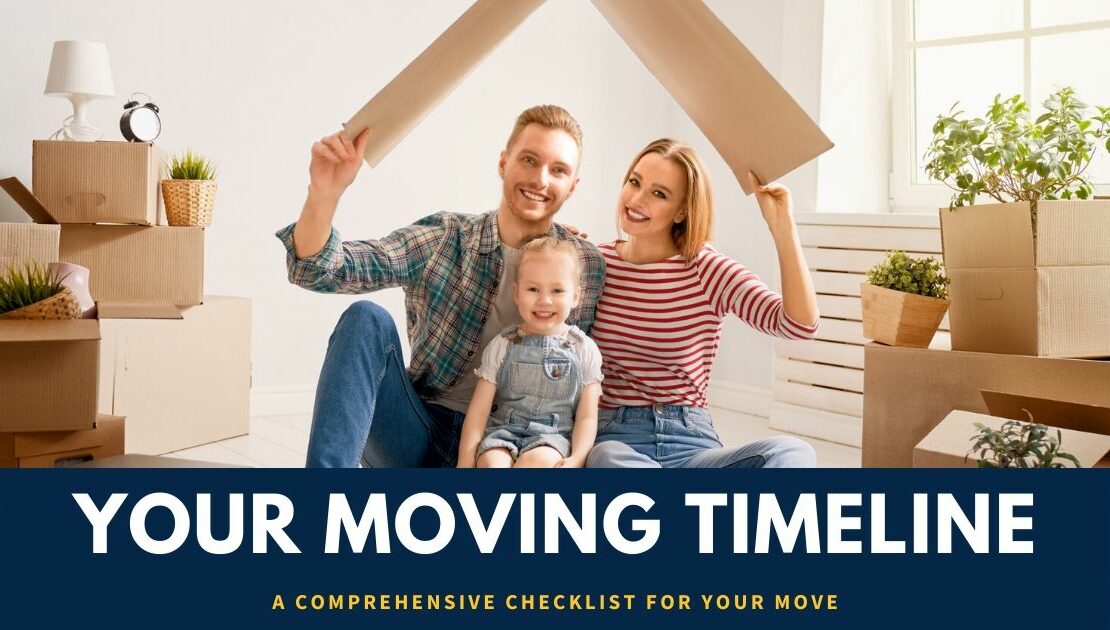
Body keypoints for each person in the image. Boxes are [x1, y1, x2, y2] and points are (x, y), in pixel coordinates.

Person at [276, 105, 605, 468]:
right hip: (419, 432)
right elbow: (322, 269)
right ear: (503, 163)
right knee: (365, 319)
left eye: (558, 170)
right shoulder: (446, 237)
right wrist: (324, 193)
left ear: (572, 186)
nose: (541, 179)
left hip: (520, 448)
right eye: (529, 160)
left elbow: (596, 368)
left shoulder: (585, 264)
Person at [586, 138, 820, 468]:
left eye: (658, 193)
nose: (636, 199)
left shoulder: (705, 268)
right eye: (634, 182)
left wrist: (783, 226)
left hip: (691, 441)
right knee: (605, 457)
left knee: (793, 453)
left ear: (682, 210)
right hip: (618, 440)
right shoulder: (593, 263)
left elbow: (798, 324)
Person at [457, 236, 603, 469]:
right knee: (492, 464)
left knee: (538, 463)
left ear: (575, 296)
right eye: (533, 289)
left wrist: (577, 458)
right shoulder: (503, 344)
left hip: (553, 437)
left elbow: (587, 416)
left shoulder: (583, 348)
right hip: (502, 431)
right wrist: (464, 462)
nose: (544, 300)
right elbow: (478, 411)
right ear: (516, 293)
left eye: (557, 290)